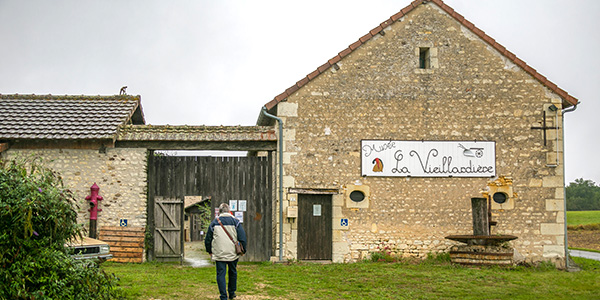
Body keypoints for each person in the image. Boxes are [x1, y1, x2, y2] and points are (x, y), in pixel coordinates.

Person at [205, 203, 247, 300]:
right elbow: (242, 237)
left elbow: (208, 239)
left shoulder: (214, 223)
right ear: (229, 210)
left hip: (219, 253)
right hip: (233, 252)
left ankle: (223, 296)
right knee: (233, 272)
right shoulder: (236, 222)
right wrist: (243, 249)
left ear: (219, 212)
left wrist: (209, 251)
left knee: (221, 274)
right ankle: (232, 293)